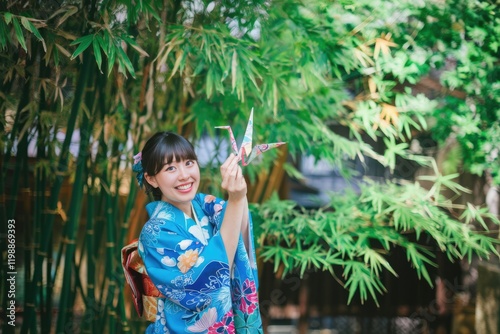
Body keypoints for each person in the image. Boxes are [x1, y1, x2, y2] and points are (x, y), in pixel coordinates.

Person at [131, 131, 263, 333]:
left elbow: (238, 227)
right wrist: (236, 199)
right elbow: (213, 275)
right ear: (151, 179)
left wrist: (239, 196)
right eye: (171, 168)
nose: (184, 175)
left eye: (189, 163)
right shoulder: (156, 232)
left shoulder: (207, 206)